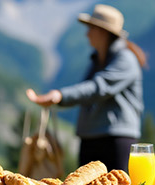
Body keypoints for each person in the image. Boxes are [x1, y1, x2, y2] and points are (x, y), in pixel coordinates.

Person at [26, 4, 146, 173]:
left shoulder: (125, 60)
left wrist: (60, 96)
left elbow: (98, 88)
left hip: (115, 140)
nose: (87, 33)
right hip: (91, 138)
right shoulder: (97, 60)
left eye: (91, 28)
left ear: (103, 32)